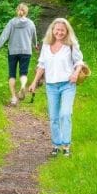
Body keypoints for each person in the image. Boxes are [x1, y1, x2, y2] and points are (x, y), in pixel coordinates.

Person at [28, 17, 84, 157]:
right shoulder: (46, 45)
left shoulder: (71, 45)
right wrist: (34, 82)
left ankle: (66, 146)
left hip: (67, 84)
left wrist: (76, 74)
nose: (59, 32)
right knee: (53, 117)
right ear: (52, 30)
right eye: (57, 30)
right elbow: (41, 65)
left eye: (62, 30)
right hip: (51, 85)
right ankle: (55, 145)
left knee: (65, 114)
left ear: (67, 31)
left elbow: (79, 62)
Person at [0, 3, 38, 106]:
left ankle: (14, 98)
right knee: (23, 73)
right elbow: (34, 37)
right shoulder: (31, 23)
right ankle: (23, 85)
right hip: (26, 51)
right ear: (26, 12)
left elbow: (4, 37)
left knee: (12, 74)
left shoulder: (12, 22)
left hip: (13, 52)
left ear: (17, 11)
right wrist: (35, 45)